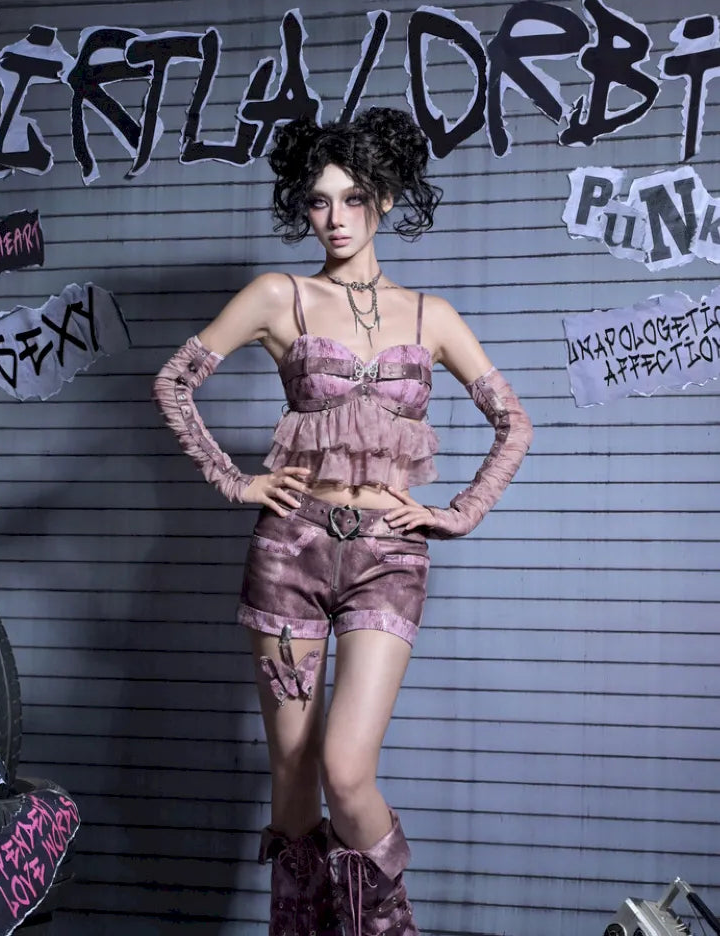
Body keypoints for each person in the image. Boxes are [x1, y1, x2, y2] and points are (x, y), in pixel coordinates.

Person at [153, 107, 533, 936]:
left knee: (346, 769)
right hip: (289, 552)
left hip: (389, 558)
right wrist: (235, 482)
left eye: (354, 198)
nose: (334, 217)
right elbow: (174, 381)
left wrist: (457, 513)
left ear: (385, 200)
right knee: (294, 778)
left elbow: (515, 424)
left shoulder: (430, 316)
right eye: (319, 200)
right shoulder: (279, 296)